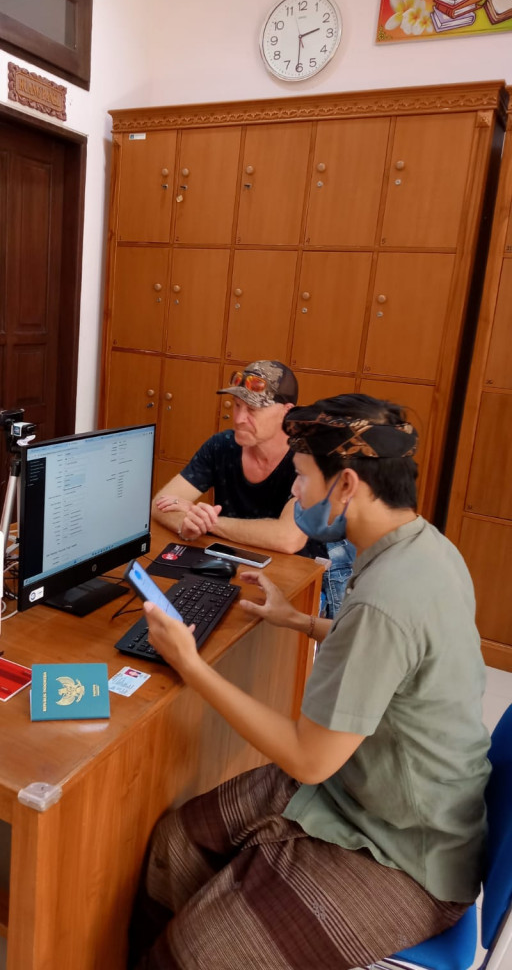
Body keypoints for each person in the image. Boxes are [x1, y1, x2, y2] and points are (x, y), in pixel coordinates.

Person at [129, 393, 490, 970]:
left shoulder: (387, 597)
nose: (295, 492)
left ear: (346, 485)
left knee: (192, 955)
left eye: (301, 477)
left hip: (405, 851)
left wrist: (191, 665)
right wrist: (297, 620)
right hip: (360, 787)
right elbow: (390, 654)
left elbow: (308, 759)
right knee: (177, 843)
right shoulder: (424, 546)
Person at [152, 359, 355, 620]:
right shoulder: (221, 446)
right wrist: (187, 524)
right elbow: (160, 504)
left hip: (304, 583)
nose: (238, 418)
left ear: (286, 412)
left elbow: (288, 538)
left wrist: (207, 522)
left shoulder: (306, 458)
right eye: (236, 405)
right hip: (240, 571)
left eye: (252, 410)